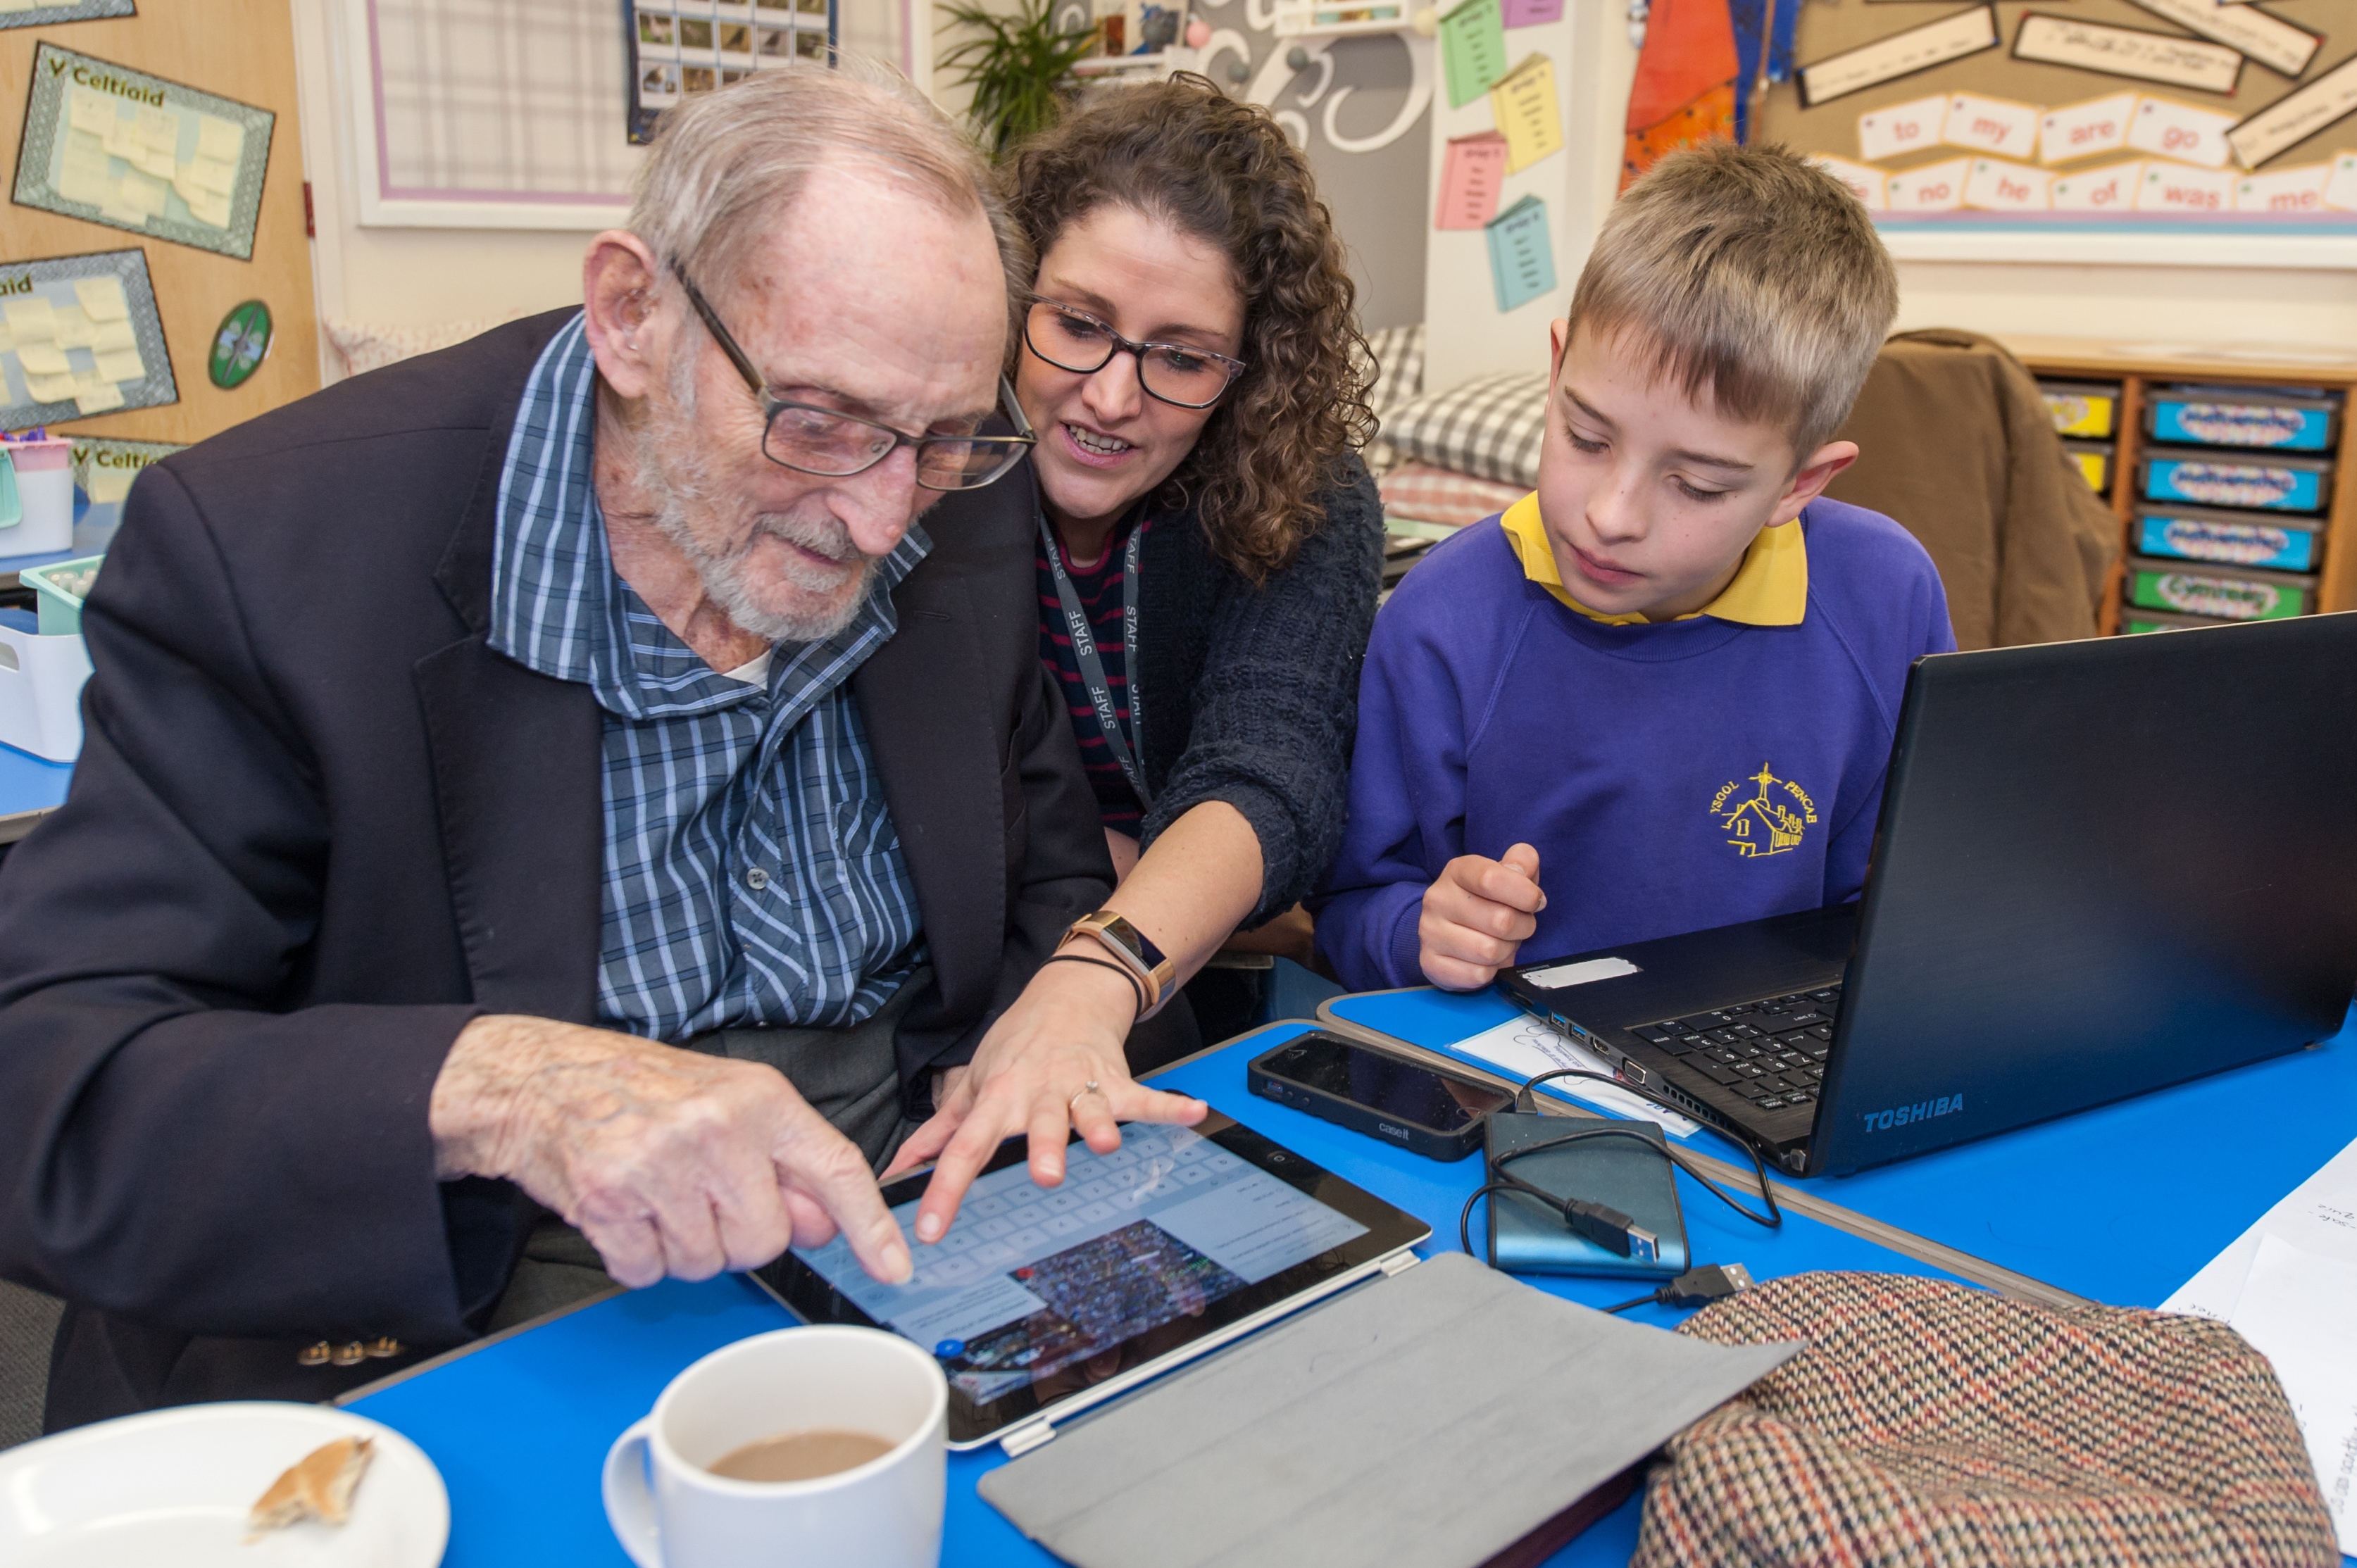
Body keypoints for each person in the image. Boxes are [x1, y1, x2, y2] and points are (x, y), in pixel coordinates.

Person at [0, 65, 1199, 1431]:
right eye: (815, 423)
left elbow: (1039, 874)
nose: (879, 521)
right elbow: (48, 1083)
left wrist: (1047, 1028)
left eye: (932, 444)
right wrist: (508, 1087)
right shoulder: (269, 554)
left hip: (911, 1202)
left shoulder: (954, 485)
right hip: (484, 1266)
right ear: (632, 315)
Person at [892, 77, 1383, 1240]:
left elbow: (1269, 780)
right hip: (962, 973)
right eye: (1075, 324)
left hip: (1161, 995)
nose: (1111, 397)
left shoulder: (1305, 498)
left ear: (1247, 374)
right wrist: (1138, 876)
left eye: (1182, 356)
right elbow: (921, 827)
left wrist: (1093, 971)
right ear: (1009, 291)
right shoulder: (911, 470)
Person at [1315, 142, 1956, 993]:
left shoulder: (1885, 596)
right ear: (1555, 368)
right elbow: (1348, 907)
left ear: (1797, 484)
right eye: (1585, 438)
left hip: (1777, 1054)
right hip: (1525, 1076)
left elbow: (1933, 881)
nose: (1609, 516)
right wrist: (1417, 930)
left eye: (1694, 484)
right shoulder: (1439, 621)